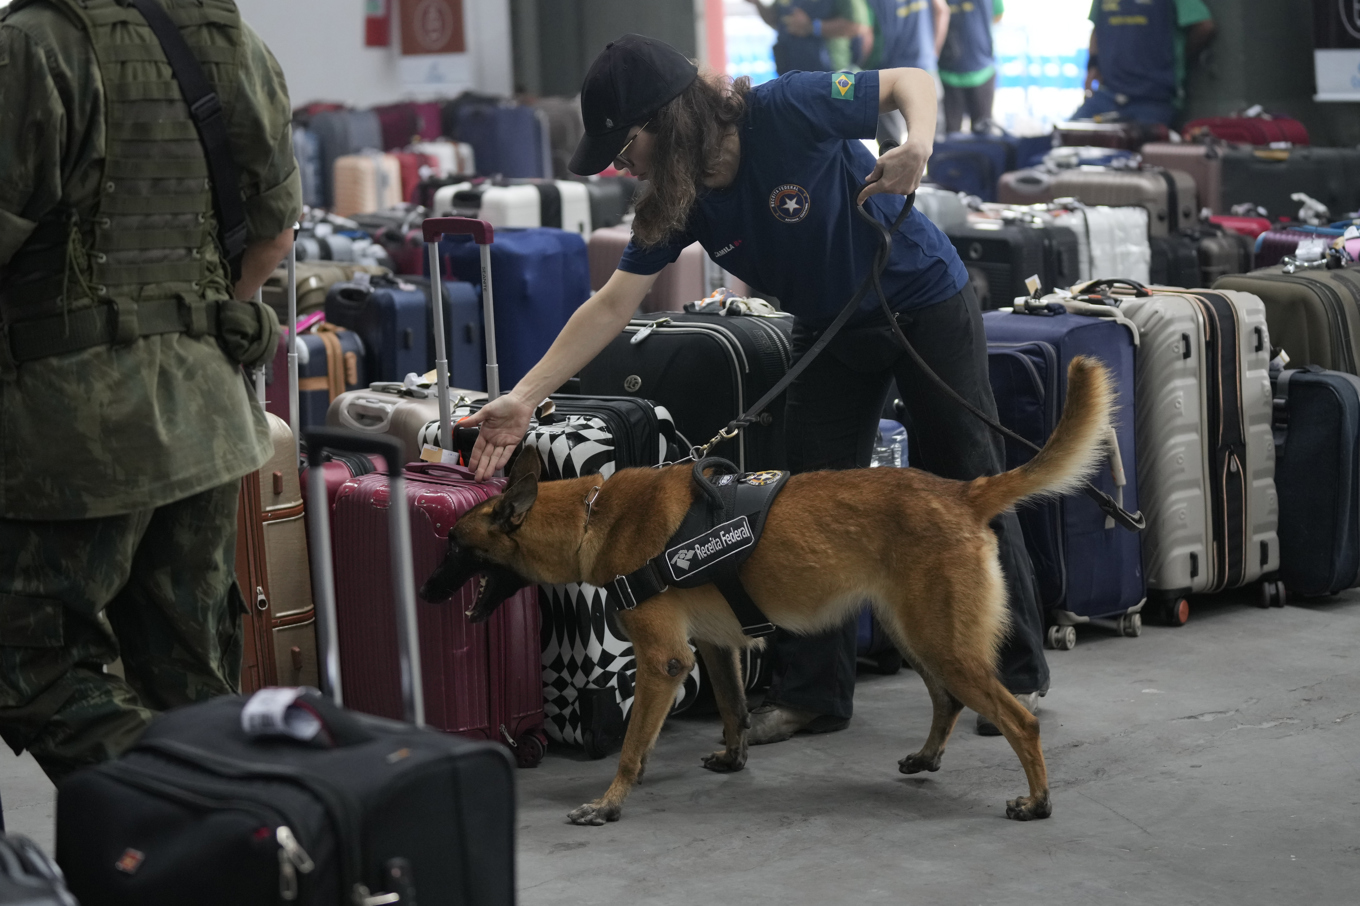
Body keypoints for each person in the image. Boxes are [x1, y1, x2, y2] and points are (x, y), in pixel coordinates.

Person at [462, 34, 1050, 742]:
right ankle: (814, 694)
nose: (621, 164)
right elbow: (612, 304)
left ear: (665, 120)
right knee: (803, 502)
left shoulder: (787, 106)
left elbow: (910, 82)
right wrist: (524, 398)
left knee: (969, 474)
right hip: (828, 328)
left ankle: (1015, 673)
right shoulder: (677, 200)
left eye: (626, 145)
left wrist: (918, 145)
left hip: (921, 299)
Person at [0, 0, 300, 782]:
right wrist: (183, 325)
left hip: (72, 434)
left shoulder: (33, 46)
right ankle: (238, 827)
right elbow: (274, 232)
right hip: (208, 419)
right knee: (190, 674)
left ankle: (181, 802)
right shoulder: (233, 41)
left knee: (31, 666)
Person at [1072, 0, 1216, 126]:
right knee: (1065, 138)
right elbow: (1097, 27)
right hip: (1107, 95)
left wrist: (1178, 55)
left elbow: (1204, 25)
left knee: (1136, 143)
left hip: (1153, 99)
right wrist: (1093, 65)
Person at [747, 0, 875, 75]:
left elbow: (858, 26)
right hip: (790, 74)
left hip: (831, 74)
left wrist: (812, 27)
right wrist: (757, 3)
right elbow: (774, 19)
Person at [938, 0, 1004, 134]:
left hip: (981, 71)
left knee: (983, 133)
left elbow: (998, 14)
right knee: (950, 135)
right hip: (948, 73)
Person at [862, 0, 950, 71]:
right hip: (925, 66)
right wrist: (932, 55)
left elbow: (865, 36)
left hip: (889, 72)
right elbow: (942, 11)